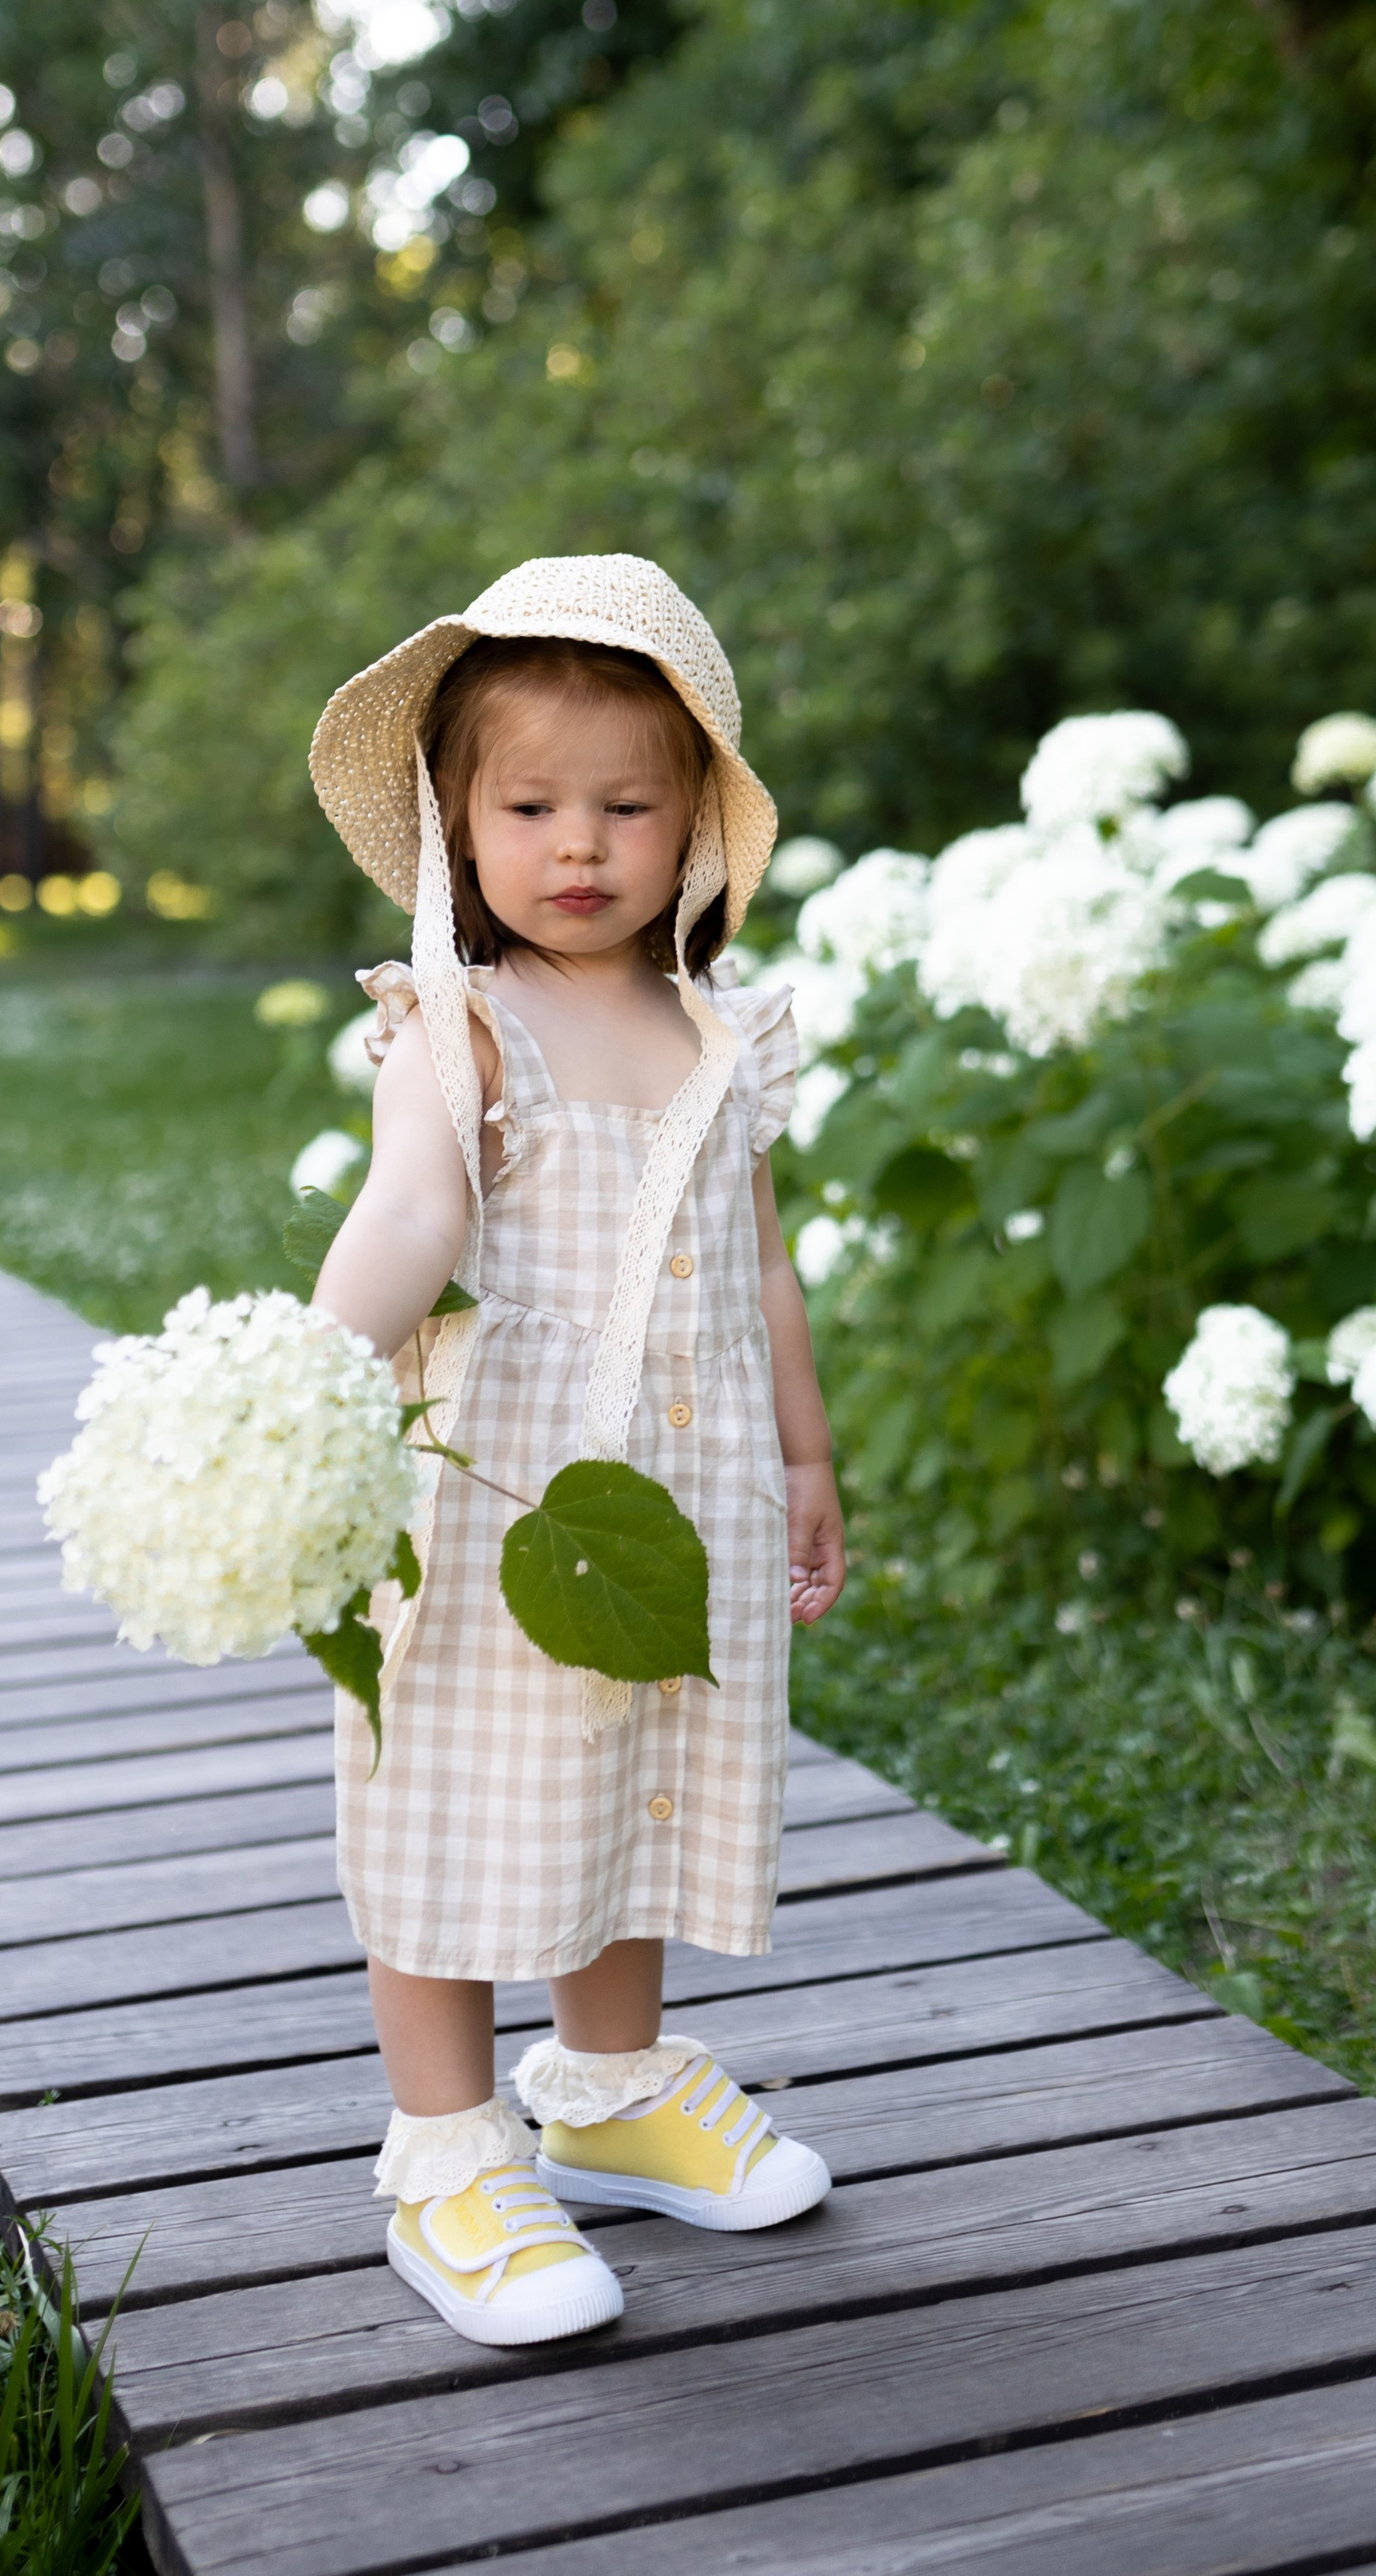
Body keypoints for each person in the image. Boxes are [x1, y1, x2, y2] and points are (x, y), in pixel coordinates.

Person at [307, 555, 845, 2347]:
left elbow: (757, 1261)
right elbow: (410, 1209)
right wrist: (307, 1378)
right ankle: (447, 2151)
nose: (579, 846)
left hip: (675, 1492)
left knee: (632, 1772)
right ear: (458, 822)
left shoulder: (721, 1031)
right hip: (494, 1486)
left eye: (625, 805)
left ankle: (608, 2086)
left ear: (692, 821)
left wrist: (806, 1456)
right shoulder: (458, 1023)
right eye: (529, 805)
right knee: (457, 1785)